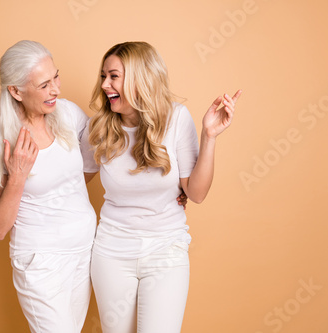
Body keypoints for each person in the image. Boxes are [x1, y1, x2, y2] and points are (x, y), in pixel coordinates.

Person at [80, 41, 242, 333]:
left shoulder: (176, 118)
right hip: (112, 252)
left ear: (140, 79)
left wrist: (210, 136)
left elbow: (196, 193)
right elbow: (71, 184)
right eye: (103, 76)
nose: (105, 84)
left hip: (166, 250)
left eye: (114, 76)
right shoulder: (100, 128)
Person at [0, 40, 97, 333]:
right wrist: (17, 176)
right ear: (15, 91)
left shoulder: (68, 113)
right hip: (40, 262)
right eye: (44, 84)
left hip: (84, 252)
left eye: (56, 76)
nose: (56, 89)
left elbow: (85, 171)